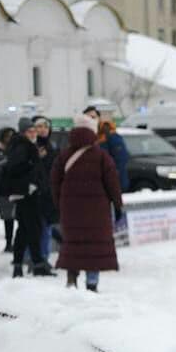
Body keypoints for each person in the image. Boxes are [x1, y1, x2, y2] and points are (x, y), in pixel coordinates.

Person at [51, 114, 122, 292]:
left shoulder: (64, 156)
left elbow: (54, 182)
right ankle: (92, 284)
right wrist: (117, 204)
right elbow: (112, 183)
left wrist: (60, 203)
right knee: (94, 248)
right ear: (92, 132)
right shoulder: (101, 156)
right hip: (96, 213)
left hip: (70, 211)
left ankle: (71, 280)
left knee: (73, 245)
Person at [2, 119, 55, 277]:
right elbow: (15, 168)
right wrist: (33, 162)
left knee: (26, 230)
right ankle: (36, 264)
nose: (33, 134)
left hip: (27, 193)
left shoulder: (23, 145)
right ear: (23, 132)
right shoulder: (23, 146)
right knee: (32, 229)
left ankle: (23, 265)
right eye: (30, 131)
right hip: (27, 194)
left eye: (34, 131)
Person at [33, 116, 59, 262]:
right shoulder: (31, 146)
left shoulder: (52, 146)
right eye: (39, 126)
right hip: (35, 193)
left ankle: (44, 258)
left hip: (49, 194)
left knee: (46, 228)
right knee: (35, 228)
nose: (42, 130)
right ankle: (35, 258)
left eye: (45, 127)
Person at [94, 110, 130, 194]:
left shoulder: (110, 135)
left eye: (93, 117)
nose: (91, 120)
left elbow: (121, 160)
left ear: (99, 118)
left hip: (111, 185)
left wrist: (113, 179)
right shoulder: (89, 136)